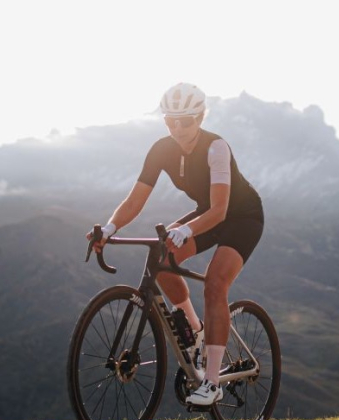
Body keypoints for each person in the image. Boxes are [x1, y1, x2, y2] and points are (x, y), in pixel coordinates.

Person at [87, 82, 264, 406]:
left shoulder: (216, 148)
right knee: (162, 257)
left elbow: (220, 210)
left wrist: (187, 229)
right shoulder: (161, 149)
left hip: (242, 217)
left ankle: (212, 383)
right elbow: (135, 200)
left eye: (185, 121)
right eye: (170, 121)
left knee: (215, 284)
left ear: (200, 117)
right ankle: (196, 331)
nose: (178, 128)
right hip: (208, 213)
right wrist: (110, 228)